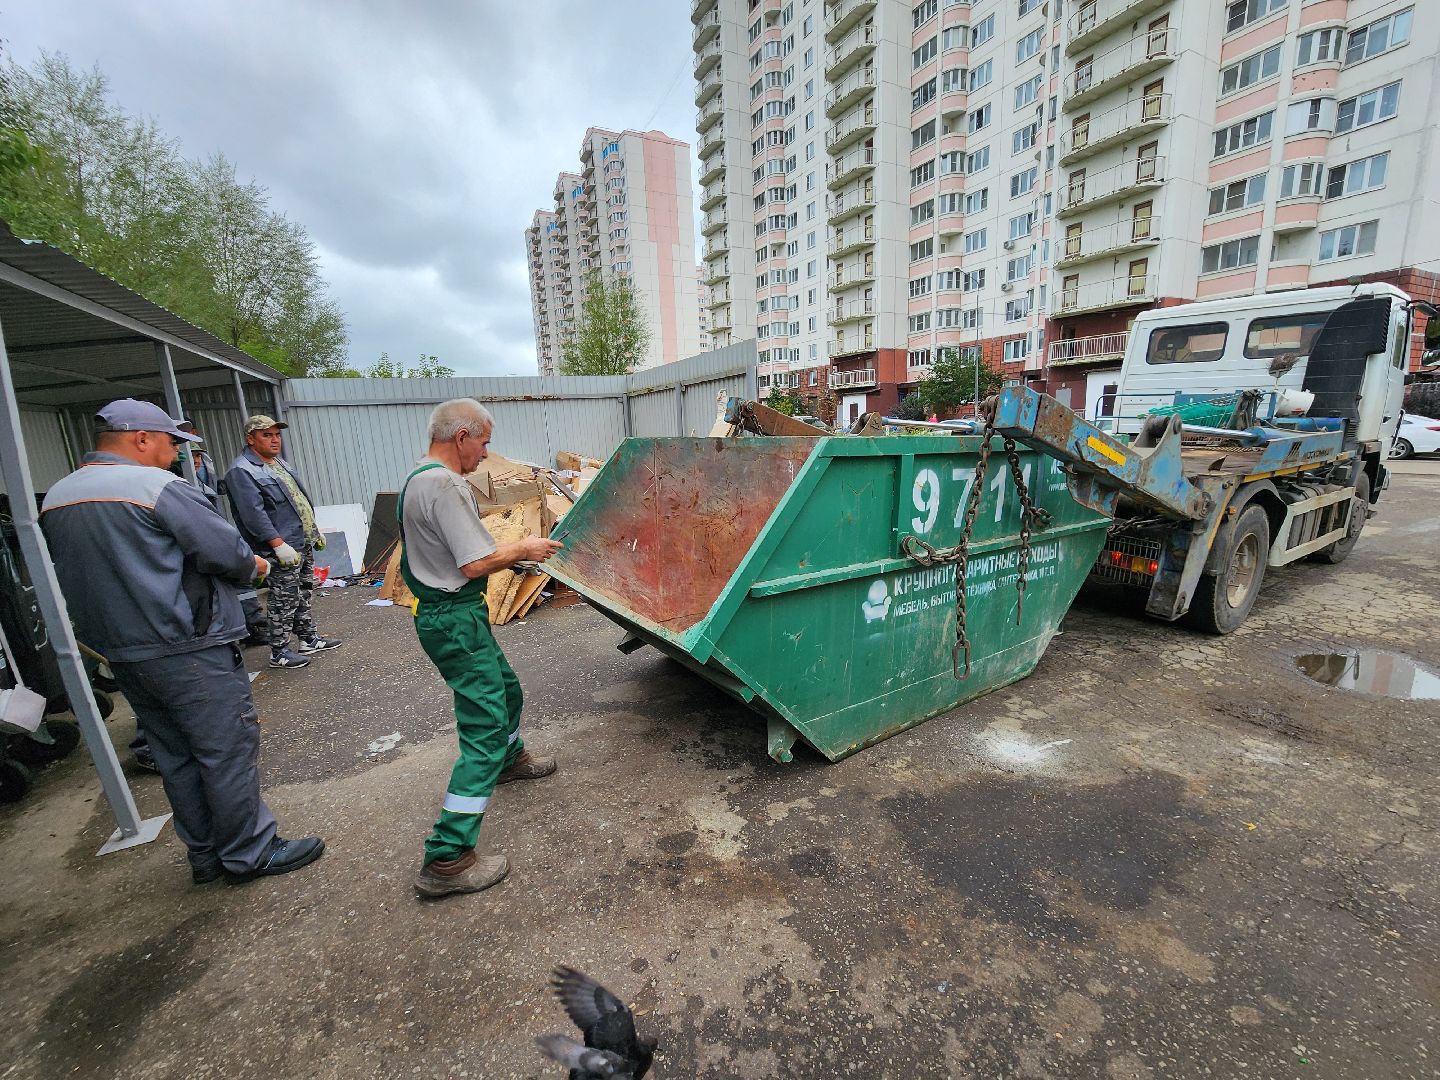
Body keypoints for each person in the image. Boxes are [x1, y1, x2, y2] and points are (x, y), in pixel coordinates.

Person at [40, 398, 324, 885]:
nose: (176, 453)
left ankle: (206, 855)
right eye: (172, 442)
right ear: (141, 438)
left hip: (123, 652)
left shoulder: (58, 496)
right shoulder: (155, 487)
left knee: (175, 756)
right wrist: (255, 564)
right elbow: (228, 553)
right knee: (225, 749)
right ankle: (250, 852)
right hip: (186, 645)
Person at [400, 398, 561, 899]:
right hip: (453, 617)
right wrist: (524, 549)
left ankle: (509, 760)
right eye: (485, 441)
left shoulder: (417, 478)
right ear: (462, 436)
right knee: (485, 725)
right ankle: (447, 857)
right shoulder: (443, 483)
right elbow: (473, 564)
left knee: (506, 691)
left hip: (452, 614)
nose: (486, 453)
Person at [224, 415, 341, 670]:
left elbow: (296, 499)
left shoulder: (278, 463)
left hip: (301, 540)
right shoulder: (242, 471)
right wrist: (276, 543)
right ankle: (279, 651)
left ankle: (308, 638)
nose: (275, 439)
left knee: (303, 592)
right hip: (280, 546)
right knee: (283, 598)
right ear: (250, 438)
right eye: (266, 434)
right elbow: (252, 514)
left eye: (277, 434)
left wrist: (314, 530)